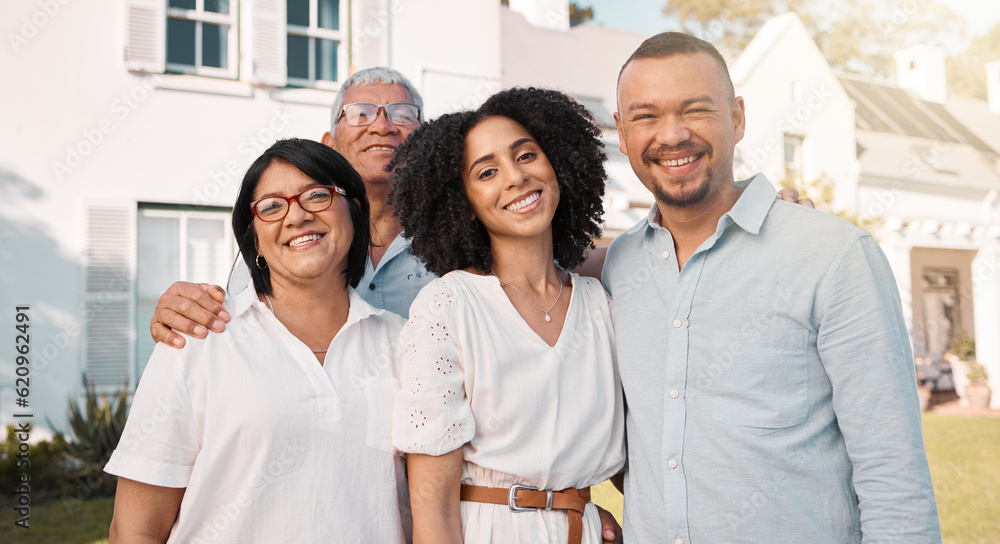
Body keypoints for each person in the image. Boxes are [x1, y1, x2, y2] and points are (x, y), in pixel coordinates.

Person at [604, 32, 940, 542]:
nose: (671, 135)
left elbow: (893, 477)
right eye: (646, 116)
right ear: (622, 133)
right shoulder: (617, 268)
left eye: (695, 110)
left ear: (737, 118)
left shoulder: (833, 255)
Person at [105, 139, 409, 543]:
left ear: (354, 210)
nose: (297, 215)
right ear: (254, 240)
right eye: (271, 206)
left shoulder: (406, 343)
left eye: (317, 195)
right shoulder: (198, 340)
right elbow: (134, 530)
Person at [388, 87, 625, 544]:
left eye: (527, 155)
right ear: (465, 206)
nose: (515, 178)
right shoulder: (449, 305)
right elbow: (433, 511)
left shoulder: (602, 304)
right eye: (487, 172)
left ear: (558, 163)